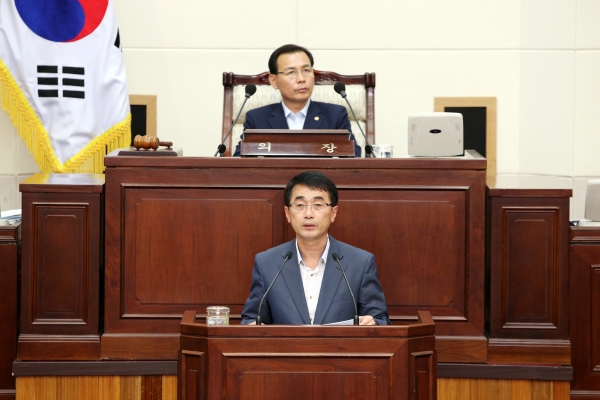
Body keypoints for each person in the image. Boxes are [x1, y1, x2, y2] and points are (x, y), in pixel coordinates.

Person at [241, 171, 390, 325]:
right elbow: (251, 319)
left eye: (318, 205)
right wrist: (253, 327)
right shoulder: (267, 263)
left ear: (333, 213)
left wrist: (373, 323)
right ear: (287, 213)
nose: (308, 214)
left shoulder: (360, 263)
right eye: (300, 205)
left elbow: (380, 319)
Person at [233, 44, 362, 157]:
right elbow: (240, 163)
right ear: (274, 81)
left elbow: (353, 158)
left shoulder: (335, 115)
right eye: (291, 72)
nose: (301, 79)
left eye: (306, 70)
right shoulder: (257, 119)